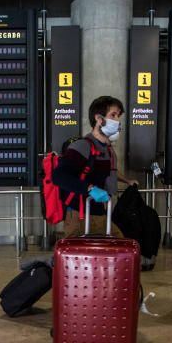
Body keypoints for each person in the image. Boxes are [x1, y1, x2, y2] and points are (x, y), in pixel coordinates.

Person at [51, 95, 137, 238]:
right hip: (80, 216)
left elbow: (110, 170)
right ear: (99, 119)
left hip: (101, 212)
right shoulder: (82, 146)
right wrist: (89, 188)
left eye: (119, 116)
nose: (117, 121)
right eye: (113, 115)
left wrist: (127, 181)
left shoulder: (107, 149)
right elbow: (58, 176)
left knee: (119, 248)